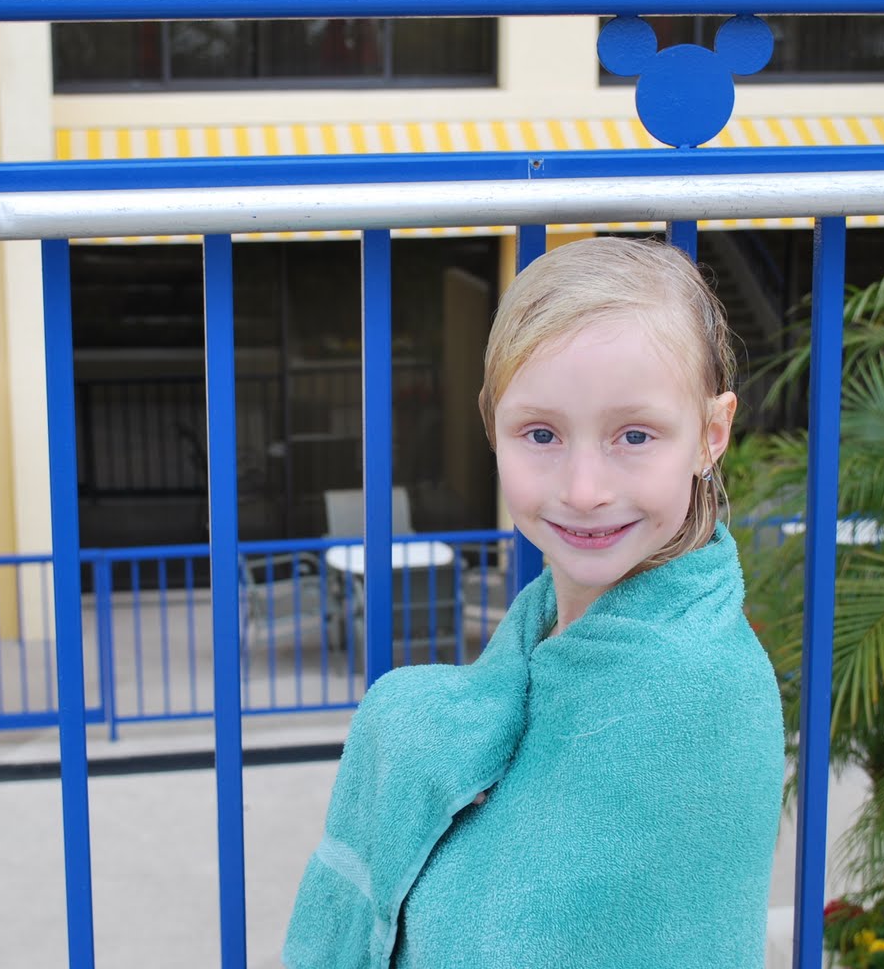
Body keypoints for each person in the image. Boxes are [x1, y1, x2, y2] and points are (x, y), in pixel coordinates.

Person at [283, 237, 784, 968]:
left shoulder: (700, 692)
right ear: (493, 429)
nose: (584, 489)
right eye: (541, 433)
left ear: (711, 434)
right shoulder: (540, 633)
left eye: (634, 435)